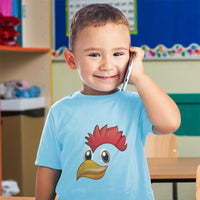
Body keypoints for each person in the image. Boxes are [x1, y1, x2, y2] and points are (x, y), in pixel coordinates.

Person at [35, 4, 180, 200]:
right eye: (94, 54)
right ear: (71, 60)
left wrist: (140, 78)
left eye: (118, 54)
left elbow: (170, 123)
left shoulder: (137, 104)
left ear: (131, 57)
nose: (107, 65)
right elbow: (49, 168)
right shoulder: (59, 112)